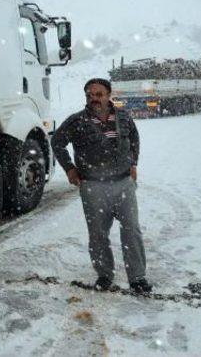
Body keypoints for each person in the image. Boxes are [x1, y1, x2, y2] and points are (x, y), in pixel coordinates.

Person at [51, 78, 152, 293]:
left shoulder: (124, 117)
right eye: (89, 95)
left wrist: (133, 162)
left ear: (108, 95)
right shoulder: (76, 121)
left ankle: (137, 278)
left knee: (132, 230)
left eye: (98, 95)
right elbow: (57, 141)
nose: (93, 99)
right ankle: (104, 275)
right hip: (93, 186)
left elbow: (134, 138)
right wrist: (69, 168)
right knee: (97, 233)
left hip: (123, 183)